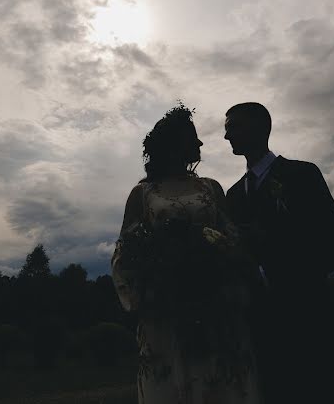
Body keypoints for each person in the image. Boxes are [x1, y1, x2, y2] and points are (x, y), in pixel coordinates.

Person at [111, 103, 262, 404]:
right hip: (165, 316)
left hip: (217, 311)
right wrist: (152, 288)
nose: (200, 143)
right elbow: (124, 253)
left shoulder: (211, 188)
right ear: (174, 144)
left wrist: (222, 269)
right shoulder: (143, 194)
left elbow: (233, 239)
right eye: (193, 137)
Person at [223, 102, 334, 404]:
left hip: (310, 324)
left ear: (260, 127)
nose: (226, 136)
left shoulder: (302, 175)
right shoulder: (231, 196)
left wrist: (273, 246)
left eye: (233, 127)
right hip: (259, 333)